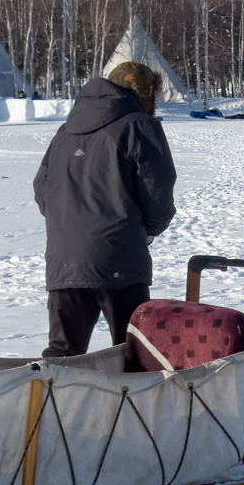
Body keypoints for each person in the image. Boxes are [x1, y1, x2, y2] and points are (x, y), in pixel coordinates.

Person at [33, 61, 176, 358]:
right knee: (134, 355)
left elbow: (41, 188)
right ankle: (132, 406)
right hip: (119, 260)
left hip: (64, 262)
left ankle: (52, 405)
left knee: (62, 357)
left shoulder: (64, 132)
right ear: (145, 95)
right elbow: (157, 190)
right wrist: (149, 229)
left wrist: (69, 224)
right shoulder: (141, 126)